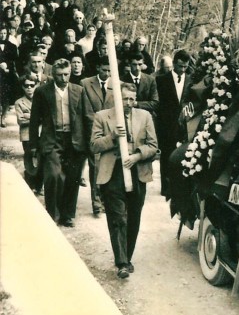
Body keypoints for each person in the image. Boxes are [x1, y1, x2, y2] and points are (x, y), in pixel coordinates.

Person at [90, 83, 158, 278]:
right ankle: (122, 262)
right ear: (117, 99)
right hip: (113, 173)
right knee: (118, 217)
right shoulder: (102, 116)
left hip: (137, 172)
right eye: (125, 99)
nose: (129, 103)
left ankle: (127, 256)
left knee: (134, 216)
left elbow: (153, 146)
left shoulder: (145, 116)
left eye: (132, 99)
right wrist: (112, 137)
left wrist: (137, 156)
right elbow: (94, 145)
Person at [29, 58, 86, 227]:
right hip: (52, 140)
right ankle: (51, 214)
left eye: (67, 74)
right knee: (53, 175)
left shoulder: (79, 90)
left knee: (72, 177)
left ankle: (67, 215)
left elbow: (87, 117)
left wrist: (89, 142)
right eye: (60, 75)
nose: (64, 78)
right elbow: (34, 120)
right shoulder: (42, 92)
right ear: (53, 74)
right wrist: (33, 145)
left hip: (74, 139)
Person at [81, 55, 115, 216]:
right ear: (97, 68)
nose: (107, 73)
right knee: (94, 167)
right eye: (104, 70)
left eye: (109, 70)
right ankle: (96, 204)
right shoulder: (86, 84)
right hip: (92, 132)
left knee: (109, 166)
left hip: (111, 133)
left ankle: (106, 200)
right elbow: (86, 111)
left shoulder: (117, 85)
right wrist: (98, 127)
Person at [156, 49, 192, 197]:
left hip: (184, 125)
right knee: (166, 156)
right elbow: (159, 104)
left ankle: (177, 187)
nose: (182, 70)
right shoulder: (162, 80)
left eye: (185, 67)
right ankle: (166, 187)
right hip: (166, 124)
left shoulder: (191, 80)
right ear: (174, 64)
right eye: (180, 66)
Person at [15, 74, 43, 193]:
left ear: (36, 85)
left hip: (41, 134)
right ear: (22, 87)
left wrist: (29, 116)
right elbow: (21, 120)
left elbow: (45, 117)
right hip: (27, 135)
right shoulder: (19, 102)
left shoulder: (41, 100)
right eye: (26, 86)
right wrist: (36, 118)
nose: (29, 88)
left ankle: (39, 186)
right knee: (29, 160)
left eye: (32, 85)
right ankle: (29, 186)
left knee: (41, 159)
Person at [122, 53, 159, 119]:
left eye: (140, 64)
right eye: (134, 64)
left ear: (143, 64)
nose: (137, 68)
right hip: (127, 117)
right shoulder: (122, 80)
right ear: (129, 64)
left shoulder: (150, 80)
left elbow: (155, 103)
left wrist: (136, 104)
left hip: (145, 117)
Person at [0, 25, 18, 127]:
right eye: (0, 33)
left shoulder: (12, 46)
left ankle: (3, 117)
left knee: (6, 96)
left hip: (7, 74)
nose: (2, 36)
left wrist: (7, 66)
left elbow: (14, 60)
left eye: (4, 33)